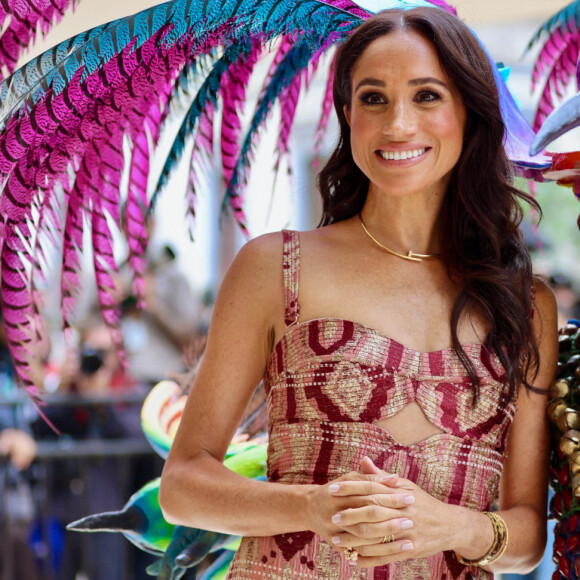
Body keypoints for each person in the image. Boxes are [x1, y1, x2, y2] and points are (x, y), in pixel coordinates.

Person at [159, 7, 558, 579]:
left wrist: (454, 526)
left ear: (469, 111)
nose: (398, 124)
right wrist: (312, 507)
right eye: (374, 98)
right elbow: (182, 488)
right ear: (348, 114)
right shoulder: (274, 267)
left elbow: (525, 539)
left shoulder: (523, 302)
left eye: (427, 96)